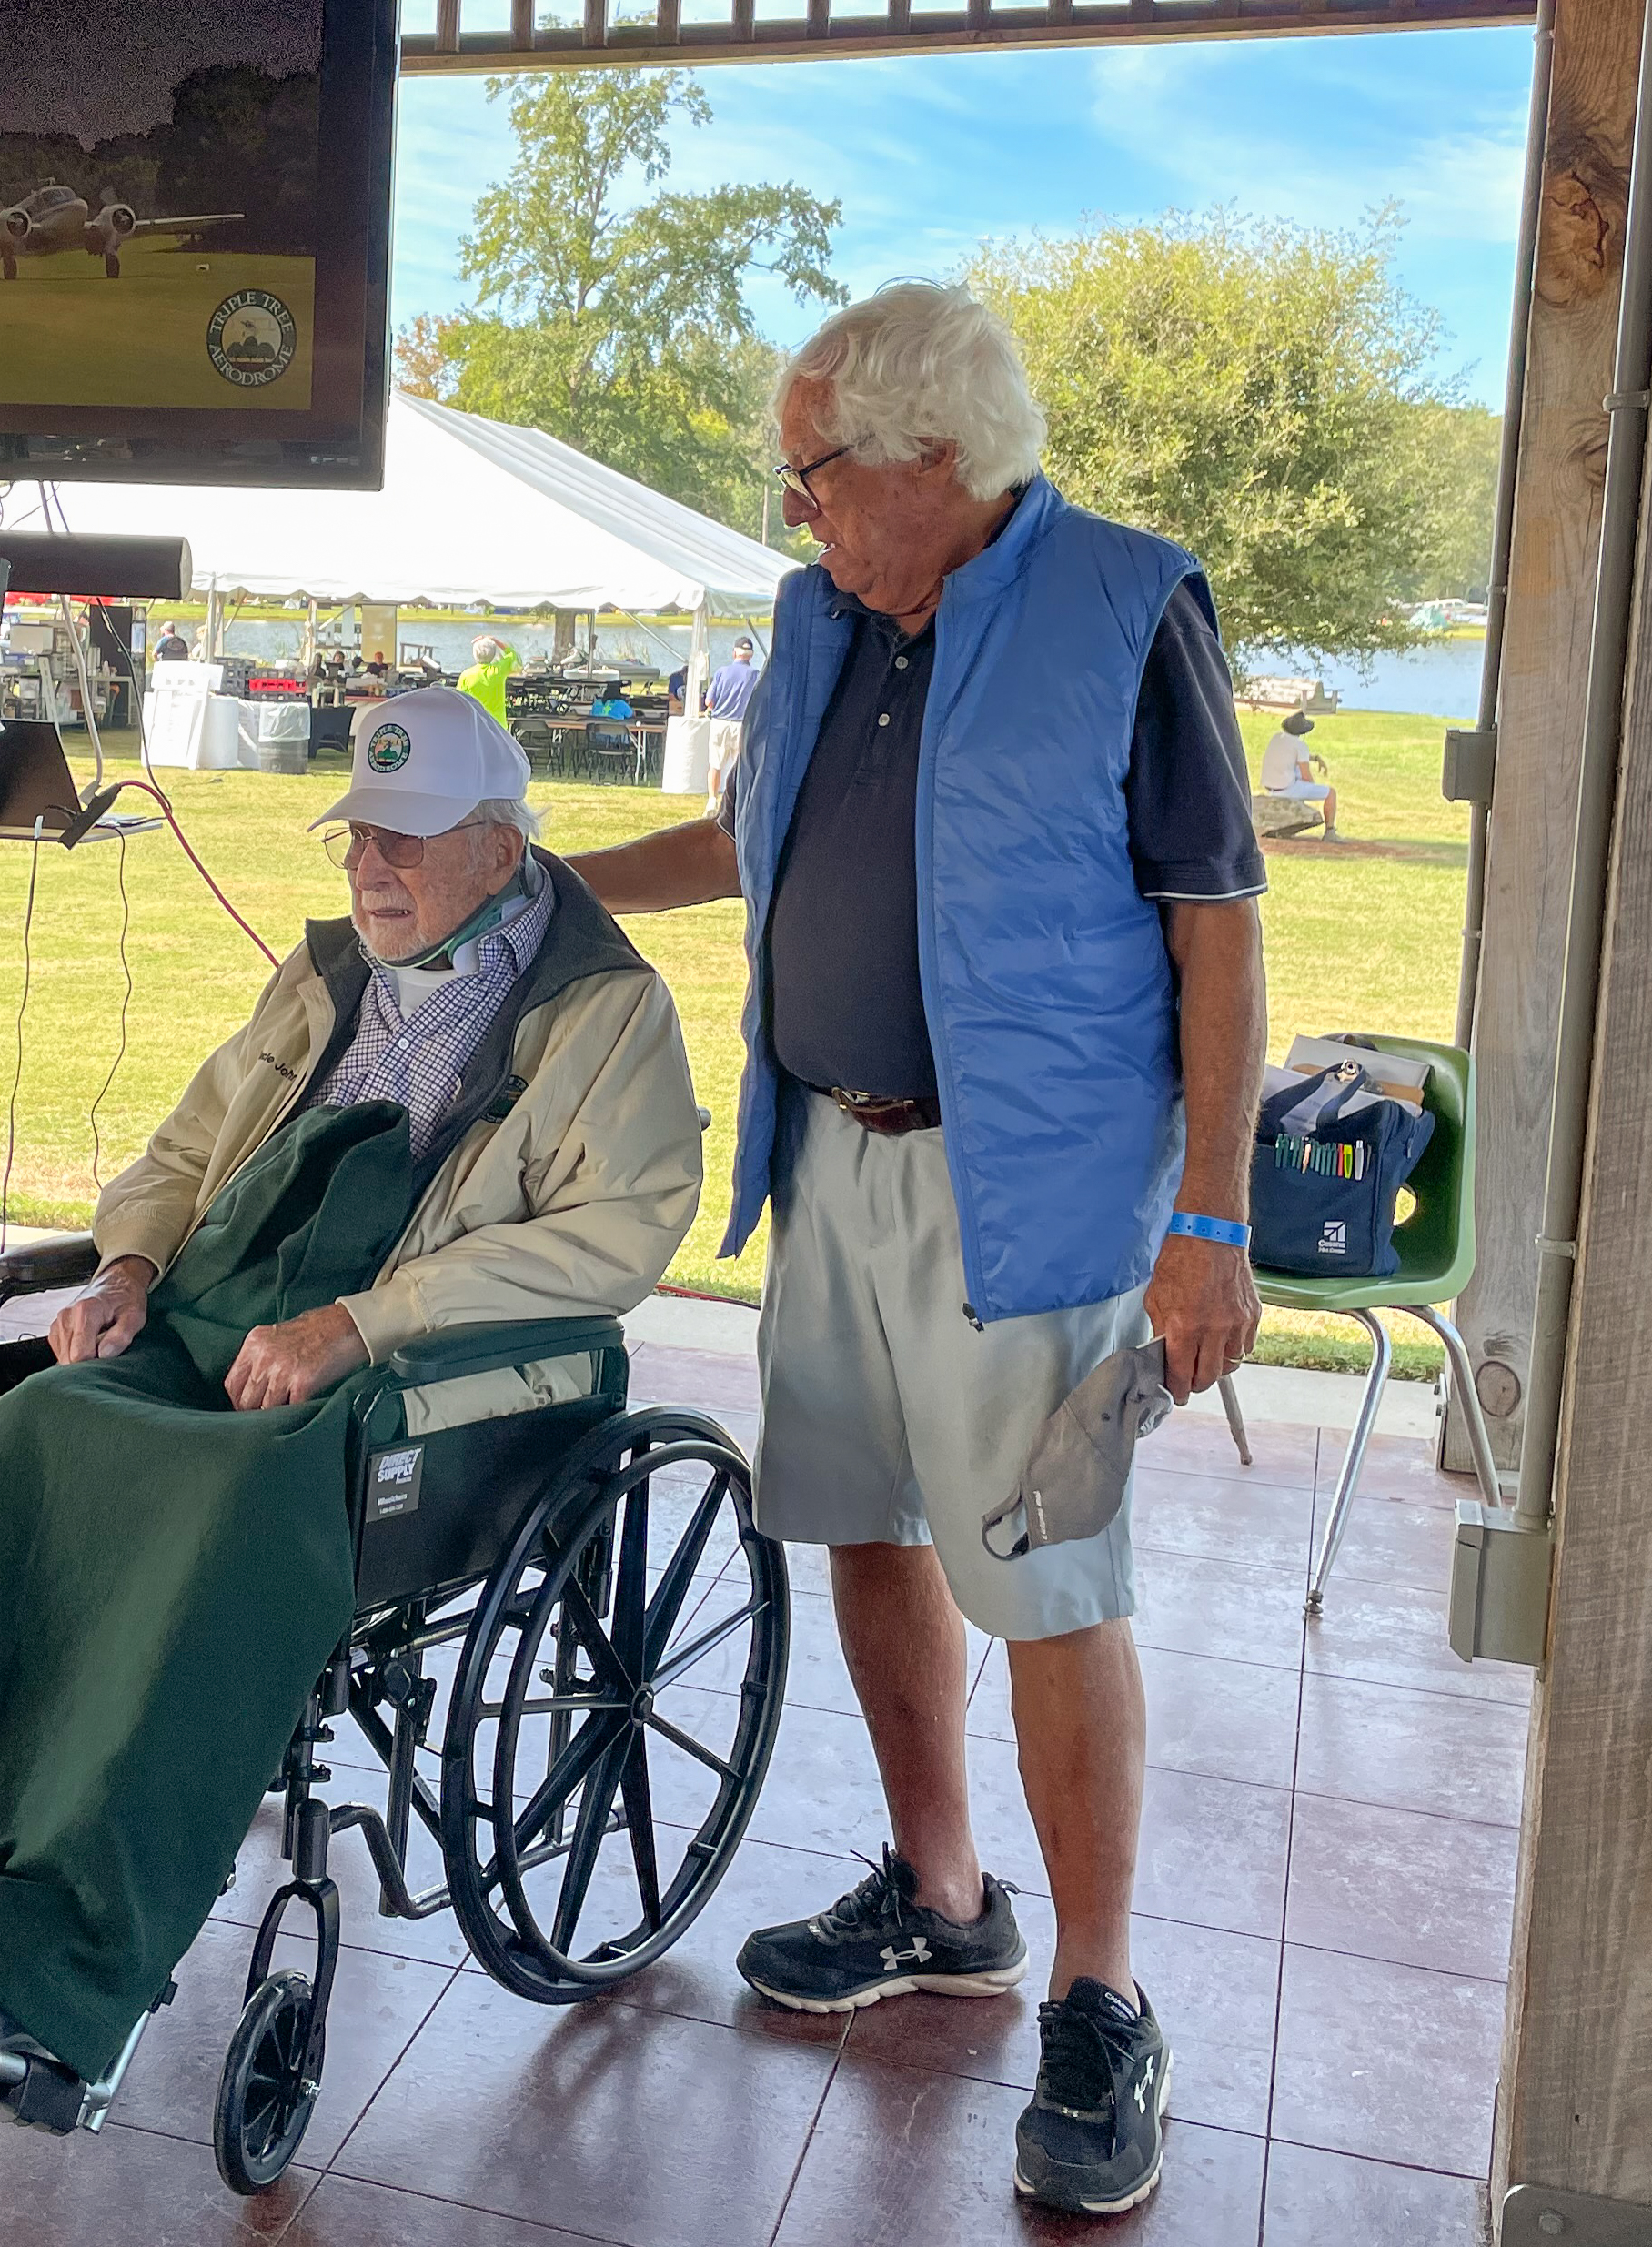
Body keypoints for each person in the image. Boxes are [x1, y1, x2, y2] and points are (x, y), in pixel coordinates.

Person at [0, 682, 707, 2118]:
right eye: (357, 834)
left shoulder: (602, 1009)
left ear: (501, 851)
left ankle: (44, 1965)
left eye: (408, 839)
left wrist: (358, 1322)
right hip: (224, 1309)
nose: (371, 865)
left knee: (239, 1500)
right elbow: (191, 1144)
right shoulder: (329, 974)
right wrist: (128, 1263)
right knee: (29, 1434)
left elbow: (610, 1237)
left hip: (411, 1378)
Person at [565, 280, 1267, 2220]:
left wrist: (1211, 1218)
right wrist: (532, 874)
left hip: (1028, 1203)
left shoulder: (1130, 604)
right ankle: (943, 1895)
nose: (796, 511)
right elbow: (747, 839)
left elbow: (1217, 920)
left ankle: (1101, 1995)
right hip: (831, 1161)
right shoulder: (820, 622)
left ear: (936, 461)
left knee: (1048, 1584)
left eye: (815, 473)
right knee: (867, 1528)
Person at [1261, 710, 1337, 840]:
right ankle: (1330, 831)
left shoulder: (1276, 738)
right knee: (1330, 793)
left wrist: (1314, 758)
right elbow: (1306, 776)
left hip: (1271, 788)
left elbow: (1291, 755)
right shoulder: (1300, 745)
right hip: (1287, 789)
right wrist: (1310, 788)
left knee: (1295, 773)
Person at [456, 632, 518, 729]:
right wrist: (494, 640)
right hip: (498, 726)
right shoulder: (498, 671)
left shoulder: (466, 675)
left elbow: (459, 701)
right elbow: (512, 654)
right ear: (492, 654)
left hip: (475, 725)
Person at [709, 634, 761, 720]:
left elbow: (709, 701)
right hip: (742, 725)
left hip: (720, 723)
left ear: (734, 653)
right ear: (751, 655)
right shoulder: (757, 675)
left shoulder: (721, 672)